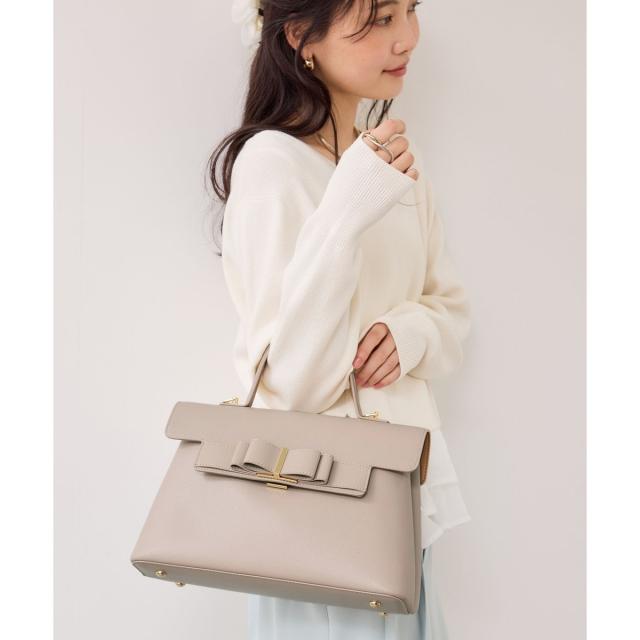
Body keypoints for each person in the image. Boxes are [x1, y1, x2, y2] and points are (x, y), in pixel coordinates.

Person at [206, 1, 472, 637]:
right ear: (302, 35)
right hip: (315, 512)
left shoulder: (394, 160)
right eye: (379, 18)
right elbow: (293, 384)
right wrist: (346, 211)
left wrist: (410, 333)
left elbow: (450, 310)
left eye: (409, 10)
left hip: (399, 499)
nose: (406, 38)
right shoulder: (271, 164)